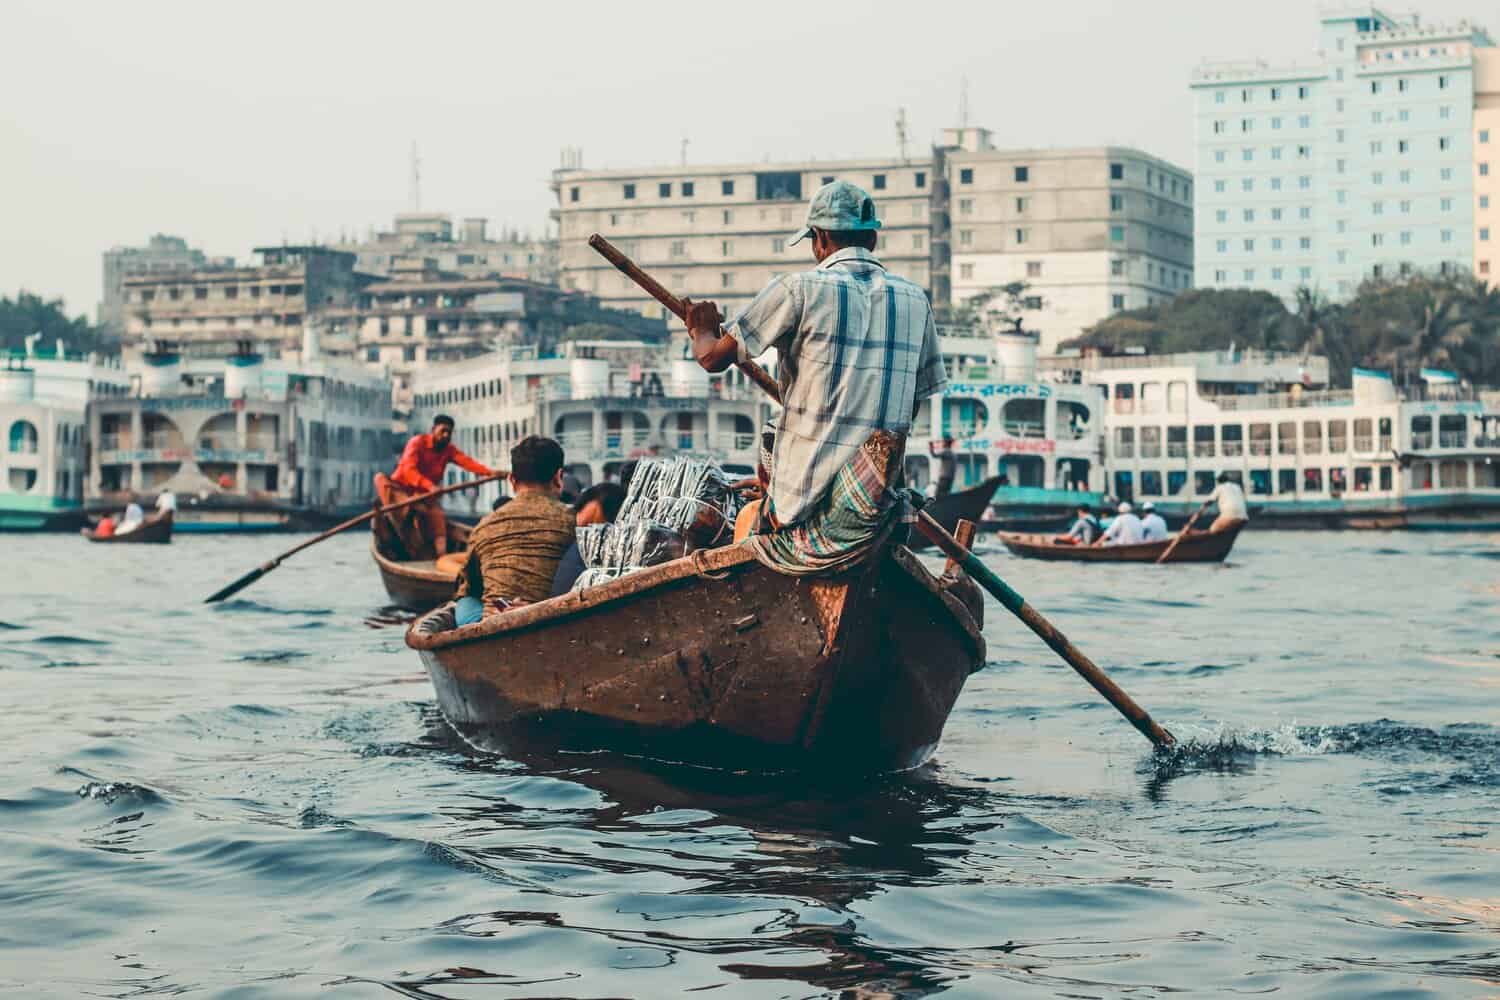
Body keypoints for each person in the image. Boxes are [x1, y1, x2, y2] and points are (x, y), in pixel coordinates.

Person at [682, 180, 946, 574]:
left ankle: (775, 511)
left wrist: (700, 328)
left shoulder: (798, 289)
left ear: (819, 239)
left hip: (800, 506)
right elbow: (913, 403)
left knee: (748, 507)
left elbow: (712, 360)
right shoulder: (914, 299)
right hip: (879, 508)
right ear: (872, 238)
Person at [453, 436, 575, 627]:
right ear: (559, 478)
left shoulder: (484, 525)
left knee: (464, 601)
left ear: (512, 480)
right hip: (552, 618)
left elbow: (470, 585)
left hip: (493, 620)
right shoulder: (573, 520)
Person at [376, 414, 497, 558]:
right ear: (433, 429)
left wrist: (491, 473)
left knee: (438, 517)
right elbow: (409, 470)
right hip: (401, 493)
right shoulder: (417, 442)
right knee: (380, 479)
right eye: (443, 431)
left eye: (449, 433)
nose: (446, 435)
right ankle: (407, 522)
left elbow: (468, 463)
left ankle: (441, 557)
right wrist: (430, 486)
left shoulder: (449, 450)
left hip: (423, 496)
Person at [550, 481, 629, 596]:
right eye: (584, 528)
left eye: (595, 529)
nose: (587, 536)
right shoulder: (571, 543)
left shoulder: (612, 557)